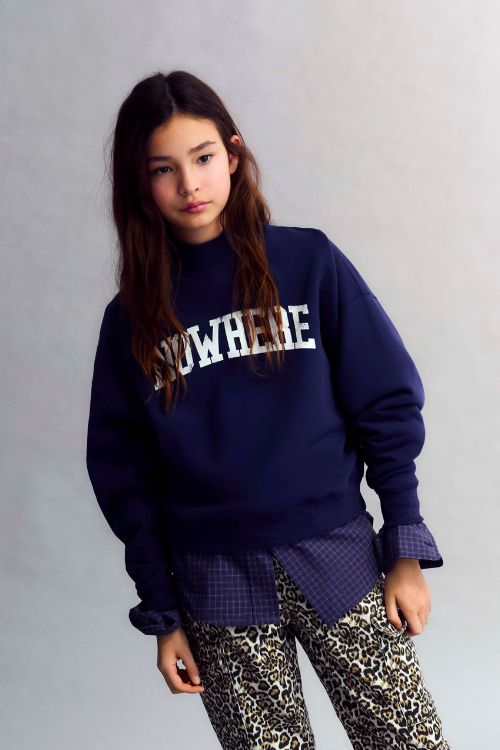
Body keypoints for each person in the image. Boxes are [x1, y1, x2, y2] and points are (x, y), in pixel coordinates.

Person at [85, 69, 452, 749]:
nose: (189, 184)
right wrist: (163, 613)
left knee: (408, 739)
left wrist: (403, 544)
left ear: (233, 153)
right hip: (215, 581)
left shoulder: (308, 262)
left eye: (202, 158)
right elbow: (124, 477)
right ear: (140, 182)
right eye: (164, 169)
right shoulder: (131, 321)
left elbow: (386, 401)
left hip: (336, 553)